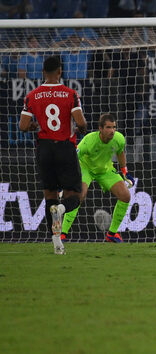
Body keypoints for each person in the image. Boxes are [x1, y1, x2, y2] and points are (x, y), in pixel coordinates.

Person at [18, 56, 87, 255]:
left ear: (43, 72)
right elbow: (80, 122)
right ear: (60, 72)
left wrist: (33, 126)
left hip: (44, 149)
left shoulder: (32, 95)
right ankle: (63, 209)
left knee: (49, 195)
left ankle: (57, 243)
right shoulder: (70, 94)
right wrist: (82, 128)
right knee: (75, 195)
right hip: (65, 147)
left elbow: (23, 126)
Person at [61, 113, 135, 243]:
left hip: (104, 169)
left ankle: (112, 234)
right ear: (100, 129)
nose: (112, 131)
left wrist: (125, 171)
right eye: (108, 127)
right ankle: (62, 233)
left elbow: (120, 152)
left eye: (114, 127)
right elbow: (73, 158)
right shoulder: (89, 140)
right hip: (85, 168)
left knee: (125, 196)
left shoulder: (119, 138)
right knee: (79, 196)